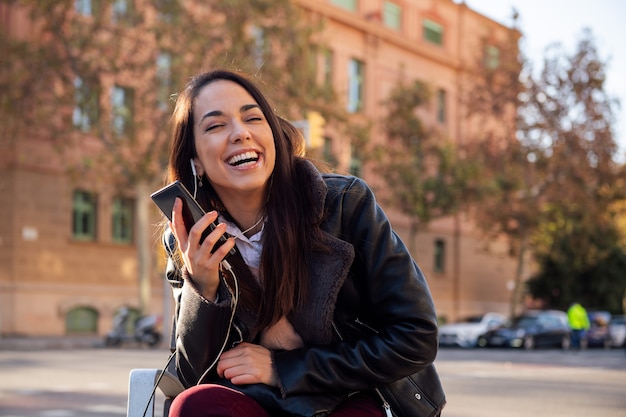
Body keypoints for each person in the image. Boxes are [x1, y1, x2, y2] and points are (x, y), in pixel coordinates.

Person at [159, 69, 445, 417]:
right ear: (196, 162)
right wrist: (202, 287)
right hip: (256, 403)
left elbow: (416, 337)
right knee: (195, 405)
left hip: (352, 397)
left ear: (274, 135)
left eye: (253, 118)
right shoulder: (188, 239)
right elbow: (191, 377)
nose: (241, 133)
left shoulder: (344, 204)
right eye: (215, 126)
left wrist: (284, 367)